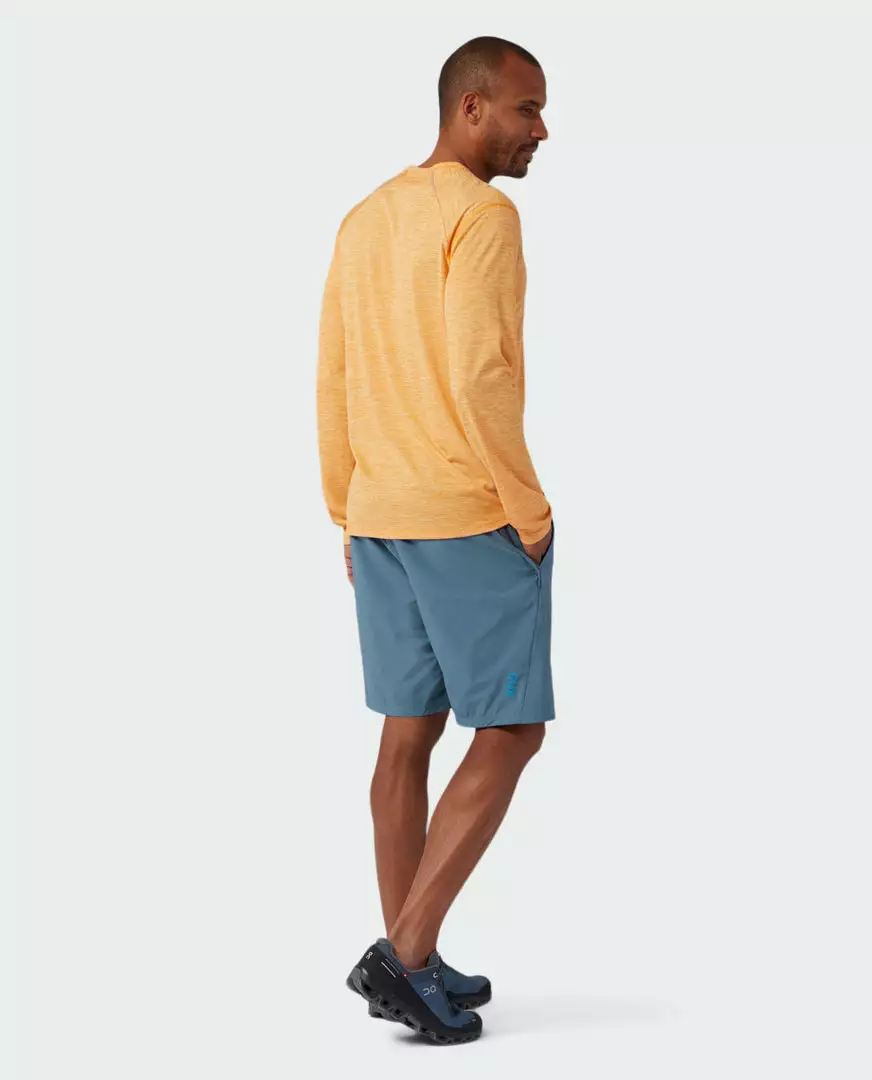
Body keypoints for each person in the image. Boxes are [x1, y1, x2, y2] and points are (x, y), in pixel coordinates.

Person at [316, 35, 554, 1045]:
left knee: (406, 734)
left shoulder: (365, 216)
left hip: (380, 514)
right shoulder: (481, 215)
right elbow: (479, 375)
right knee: (511, 730)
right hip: (464, 513)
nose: (541, 130)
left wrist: (346, 508)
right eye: (526, 109)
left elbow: (332, 374)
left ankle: (410, 961)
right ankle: (403, 952)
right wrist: (527, 510)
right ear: (471, 108)